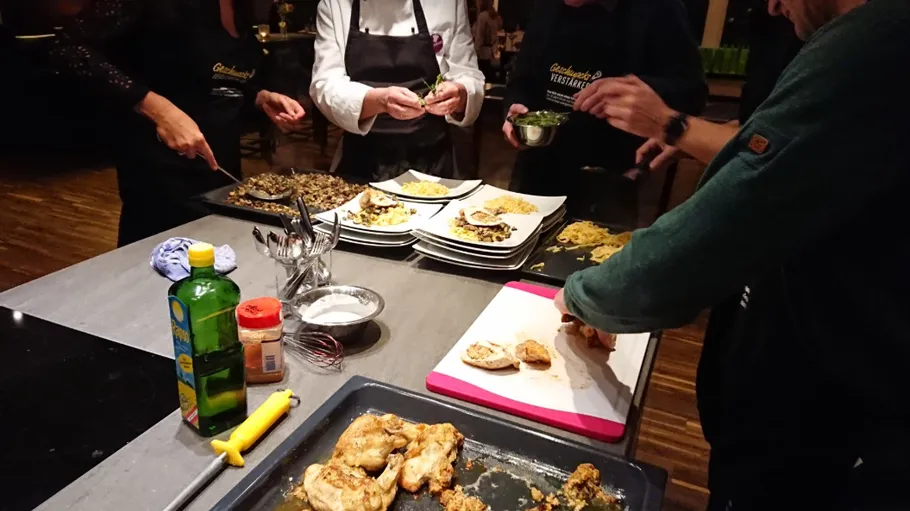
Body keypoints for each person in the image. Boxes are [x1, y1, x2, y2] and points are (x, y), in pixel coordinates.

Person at [560, 0, 910, 508]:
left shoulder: (880, 39)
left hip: (843, 424)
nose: (770, 4)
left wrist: (581, 293)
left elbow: (697, 247)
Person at [45, 0, 305, 246]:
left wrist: (259, 98)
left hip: (220, 172)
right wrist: (158, 109)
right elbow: (69, 48)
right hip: (160, 175)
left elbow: (215, 78)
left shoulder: (240, 7)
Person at [500, 0, 706, 226]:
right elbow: (522, 81)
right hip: (537, 170)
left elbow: (692, 93)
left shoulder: (659, 9)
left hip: (610, 178)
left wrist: (636, 92)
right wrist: (515, 110)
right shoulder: (547, 7)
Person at [311, 0, 485, 181]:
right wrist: (380, 101)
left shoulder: (448, 3)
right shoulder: (335, 4)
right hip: (361, 161)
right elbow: (325, 83)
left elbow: (468, 74)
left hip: (432, 162)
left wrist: (458, 93)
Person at [473, 0, 502, 81]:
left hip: (482, 55)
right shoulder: (497, 17)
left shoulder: (482, 16)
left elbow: (479, 38)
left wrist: (473, 53)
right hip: (492, 54)